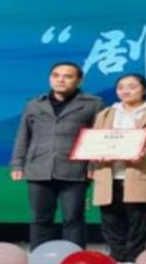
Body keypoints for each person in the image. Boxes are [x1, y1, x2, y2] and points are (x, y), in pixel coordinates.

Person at [11, 62, 103, 249]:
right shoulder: (34, 104)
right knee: (40, 218)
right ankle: (39, 259)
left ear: (79, 80)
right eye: (55, 75)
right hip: (39, 167)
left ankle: (74, 259)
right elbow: (23, 135)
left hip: (75, 169)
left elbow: (98, 137)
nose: (60, 80)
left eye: (67, 76)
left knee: (73, 218)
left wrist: (93, 164)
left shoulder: (93, 104)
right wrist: (17, 164)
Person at [90, 74, 146, 264]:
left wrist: (143, 152)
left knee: (138, 221)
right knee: (110, 220)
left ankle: (133, 259)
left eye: (132, 87)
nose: (125, 91)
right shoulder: (107, 113)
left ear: (144, 89)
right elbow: (94, 140)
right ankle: (116, 257)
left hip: (139, 174)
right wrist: (95, 155)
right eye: (121, 87)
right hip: (108, 174)